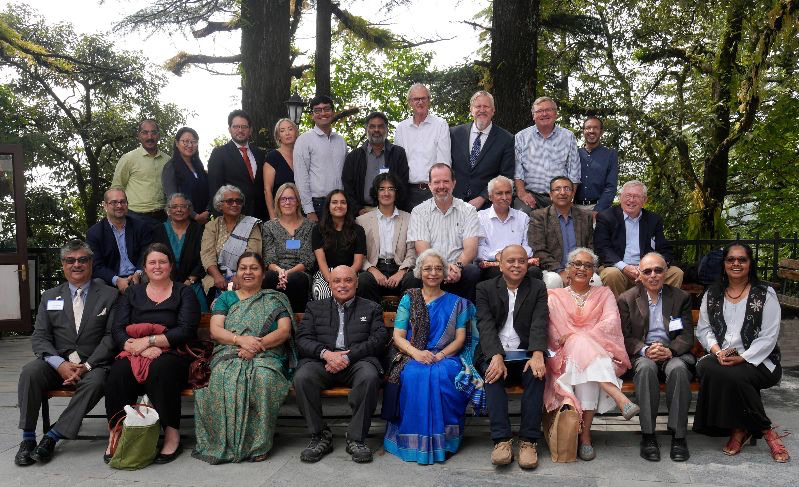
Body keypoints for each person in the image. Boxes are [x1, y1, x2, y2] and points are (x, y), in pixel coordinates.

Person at [15, 240, 119, 466]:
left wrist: (88, 365)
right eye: (70, 260)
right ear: (62, 264)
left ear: (91, 263)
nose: (76, 265)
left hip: (94, 363)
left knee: (96, 382)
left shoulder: (110, 295)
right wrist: (59, 364)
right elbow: (40, 336)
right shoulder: (50, 296)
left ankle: (52, 437)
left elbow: (111, 336)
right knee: (29, 372)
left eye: (82, 259)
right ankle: (28, 438)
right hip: (57, 362)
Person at [192, 252, 295, 464]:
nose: (248, 272)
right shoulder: (226, 299)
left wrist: (256, 346)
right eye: (243, 268)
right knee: (222, 376)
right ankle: (227, 442)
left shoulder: (275, 298)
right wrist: (240, 340)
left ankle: (259, 444)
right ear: (237, 272)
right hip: (230, 351)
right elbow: (216, 331)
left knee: (263, 378)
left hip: (268, 354)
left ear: (263, 272)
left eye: (254, 268)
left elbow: (284, 331)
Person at [383, 249, 482, 464]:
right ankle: (413, 443)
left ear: (445, 273)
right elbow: (398, 337)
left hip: (447, 357)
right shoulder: (409, 298)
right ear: (419, 272)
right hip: (414, 354)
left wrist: (440, 356)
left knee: (442, 375)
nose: (433, 273)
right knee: (413, 375)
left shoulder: (458, 303)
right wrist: (417, 354)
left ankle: (444, 442)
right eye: (428, 268)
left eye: (438, 268)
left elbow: (459, 339)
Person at [693, 243, 789, 463]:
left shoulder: (765, 293)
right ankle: (747, 428)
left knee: (735, 375)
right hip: (722, 357)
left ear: (750, 263)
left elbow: (769, 335)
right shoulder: (713, 293)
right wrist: (717, 352)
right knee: (707, 367)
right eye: (730, 260)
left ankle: (760, 431)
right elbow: (705, 329)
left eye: (742, 260)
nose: (736, 264)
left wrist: (743, 358)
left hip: (760, 360)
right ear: (724, 264)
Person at [104, 243, 199, 464]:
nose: (157, 266)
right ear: (144, 268)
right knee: (118, 371)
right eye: (152, 262)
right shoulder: (132, 292)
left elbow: (186, 329)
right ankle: (117, 431)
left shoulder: (184, 292)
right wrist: (134, 346)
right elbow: (117, 328)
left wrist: (150, 340)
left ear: (171, 266)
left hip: (174, 352)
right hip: (134, 351)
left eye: (162, 262)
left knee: (162, 369)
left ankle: (172, 433)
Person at [544, 247, 639, 461]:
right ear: (568, 269)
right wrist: (577, 338)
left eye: (588, 265)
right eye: (577, 264)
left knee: (585, 362)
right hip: (563, 357)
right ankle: (615, 400)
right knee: (581, 353)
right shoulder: (554, 296)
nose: (582, 269)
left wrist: (578, 336)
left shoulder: (604, 294)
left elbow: (611, 323)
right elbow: (556, 333)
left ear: (593, 272)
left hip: (599, 353)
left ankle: (584, 436)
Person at [293, 265, 389, 464]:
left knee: (369, 376)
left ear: (357, 283)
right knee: (302, 378)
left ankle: (356, 438)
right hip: (322, 362)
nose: (342, 285)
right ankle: (320, 436)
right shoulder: (315, 307)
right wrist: (326, 354)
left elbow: (379, 339)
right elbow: (302, 339)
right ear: (329, 284)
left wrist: (348, 357)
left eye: (348, 280)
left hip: (357, 362)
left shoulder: (371, 307)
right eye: (337, 281)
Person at [475, 244, 548, 469]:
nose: (516, 265)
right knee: (493, 374)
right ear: (500, 264)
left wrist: (537, 354)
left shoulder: (537, 287)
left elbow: (539, 322)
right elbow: (485, 325)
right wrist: (496, 355)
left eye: (521, 261)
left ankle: (528, 441)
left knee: (537, 375)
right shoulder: (484, 288)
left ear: (528, 264)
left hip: (525, 351)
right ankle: (501, 440)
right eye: (511, 261)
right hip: (495, 350)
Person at [618, 252, 695, 462]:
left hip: (672, 352)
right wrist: (644, 350)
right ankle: (648, 435)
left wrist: (670, 350)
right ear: (640, 275)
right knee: (645, 369)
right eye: (647, 271)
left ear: (666, 272)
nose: (653, 275)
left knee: (679, 369)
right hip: (643, 354)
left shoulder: (681, 298)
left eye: (658, 270)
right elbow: (625, 337)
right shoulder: (626, 299)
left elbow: (687, 335)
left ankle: (679, 436)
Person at [407, 163, 484, 301]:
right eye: (436, 182)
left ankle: (464, 318)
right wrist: (441, 270)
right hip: (430, 268)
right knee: (411, 278)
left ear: (453, 183)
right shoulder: (419, 212)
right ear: (429, 185)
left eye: (446, 181)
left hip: (459, 269)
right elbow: (423, 251)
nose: (441, 186)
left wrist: (456, 268)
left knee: (473, 272)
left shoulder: (468, 210)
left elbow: (470, 250)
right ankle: (420, 319)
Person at [594, 180, 683, 298]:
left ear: (644, 200)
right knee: (611, 274)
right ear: (620, 198)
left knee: (676, 273)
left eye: (636, 196)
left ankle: (661, 311)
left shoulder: (653, 220)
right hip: (618, 268)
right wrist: (625, 267)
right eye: (628, 196)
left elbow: (664, 248)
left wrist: (652, 268)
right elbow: (603, 248)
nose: (631, 200)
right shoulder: (606, 217)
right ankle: (618, 314)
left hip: (647, 269)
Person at [355, 173, 417, 304]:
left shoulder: (409, 218)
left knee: (414, 279)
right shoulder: (362, 221)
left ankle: (406, 321)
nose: (386, 193)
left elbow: (412, 251)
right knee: (364, 280)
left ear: (396, 192)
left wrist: (402, 271)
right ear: (376, 193)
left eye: (391, 189)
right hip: (374, 267)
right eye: (382, 189)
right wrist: (372, 270)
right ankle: (372, 320)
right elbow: (359, 253)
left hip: (400, 266)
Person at [514, 96, 580, 216]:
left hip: (560, 194)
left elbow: (574, 173)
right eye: (539, 111)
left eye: (548, 110)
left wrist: (569, 198)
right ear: (533, 116)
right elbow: (518, 171)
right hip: (531, 194)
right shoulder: (521, 137)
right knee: (521, 216)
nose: (544, 114)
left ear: (556, 114)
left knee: (561, 226)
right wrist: (522, 194)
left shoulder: (568, 137)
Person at [450, 91, 514, 211]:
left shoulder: (506, 139)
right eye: (478, 106)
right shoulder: (454, 134)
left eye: (486, 106)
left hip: (487, 205)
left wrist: (483, 197)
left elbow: (506, 175)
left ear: (493, 110)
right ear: (471, 110)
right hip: (454, 202)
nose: (482, 110)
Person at [529, 176, 597, 288]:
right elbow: (538, 249)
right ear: (550, 195)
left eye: (567, 189)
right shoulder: (539, 216)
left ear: (572, 194)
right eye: (557, 189)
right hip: (552, 269)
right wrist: (560, 271)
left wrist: (581, 269)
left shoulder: (585, 217)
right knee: (553, 281)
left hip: (582, 268)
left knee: (596, 280)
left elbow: (590, 247)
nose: (562, 192)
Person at [200, 185, 262, 302]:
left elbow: (253, 253)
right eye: (229, 201)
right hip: (217, 277)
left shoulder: (251, 225)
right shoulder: (211, 226)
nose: (234, 204)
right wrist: (217, 276)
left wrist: (239, 275)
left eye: (238, 201)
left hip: (246, 274)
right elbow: (207, 254)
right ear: (219, 205)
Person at [394, 83, 452, 209]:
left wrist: (441, 189)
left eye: (423, 98)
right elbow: (397, 162)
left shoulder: (440, 125)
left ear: (428, 101)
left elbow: (444, 161)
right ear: (410, 102)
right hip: (407, 192)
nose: (420, 102)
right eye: (416, 99)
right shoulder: (401, 128)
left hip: (433, 191)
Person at [476, 175, 542, 282]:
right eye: (499, 193)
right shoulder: (480, 217)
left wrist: (514, 257)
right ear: (490, 196)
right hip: (494, 264)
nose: (504, 197)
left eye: (508, 193)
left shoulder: (522, 217)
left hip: (519, 262)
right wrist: (497, 256)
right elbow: (478, 248)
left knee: (534, 272)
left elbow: (528, 245)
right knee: (498, 273)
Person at [342, 111, 410, 214]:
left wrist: (393, 208)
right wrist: (358, 210)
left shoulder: (398, 154)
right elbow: (348, 188)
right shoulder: (354, 157)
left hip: (392, 211)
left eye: (381, 126)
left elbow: (403, 184)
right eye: (372, 126)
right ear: (366, 130)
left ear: (386, 129)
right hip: (363, 212)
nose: (376, 130)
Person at [262, 183, 315, 312]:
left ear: (297, 202)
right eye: (283, 199)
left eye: (291, 198)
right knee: (268, 277)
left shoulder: (310, 226)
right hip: (276, 271)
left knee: (296, 279)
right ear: (278, 202)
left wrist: (287, 274)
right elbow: (269, 258)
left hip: (300, 273)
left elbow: (307, 259)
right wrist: (280, 272)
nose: (287, 202)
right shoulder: (269, 227)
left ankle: (297, 323)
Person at [86, 188, 152, 292]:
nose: (119, 206)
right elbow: (96, 265)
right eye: (114, 202)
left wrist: (138, 273)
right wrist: (117, 280)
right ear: (105, 205)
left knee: (150, 276)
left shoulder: (140, 227)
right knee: (97, 283)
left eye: (123, 202)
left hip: (138, 276)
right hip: (111, 279)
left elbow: (147, 254)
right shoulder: (95, 233)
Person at [293, 95, 348, 220]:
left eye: (326, 109)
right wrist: (309, 209)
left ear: (332, 112)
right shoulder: (304, 140)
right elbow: (301, 177)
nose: (322, 113)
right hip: (317, 204)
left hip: (340, 202)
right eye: (317, 110)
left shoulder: (341, 141)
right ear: (312, 115)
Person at [151, 193, 207, 312]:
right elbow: (153, 258)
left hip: (193, 283)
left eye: (183, 206)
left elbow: (204, 257)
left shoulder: (200, 230)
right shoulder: (158, 230)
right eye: (175, 206)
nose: (179, 210)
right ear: (168, 211)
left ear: (189, 210)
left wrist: (191, 279)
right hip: (164, 282)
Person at [207, 109, 267, 219]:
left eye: (244, 127)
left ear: (250, 130)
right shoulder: (219, 154)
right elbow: (214, 189)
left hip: (260, 217)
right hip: (232, 217)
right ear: (229, 129)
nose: (240, 130)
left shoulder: (259, 154)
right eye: (236, 127)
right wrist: (221, 219)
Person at [310, 190, 366, 300]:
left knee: (355, 292)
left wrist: (344, 278)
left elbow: (358, 262)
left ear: (348, 206)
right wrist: (332, 279)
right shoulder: (318, 230)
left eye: (343, 202)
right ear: (328, 206)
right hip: (326, 273)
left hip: (350, 271)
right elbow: (321, 261)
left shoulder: (358, 230)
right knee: (324, 294)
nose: (339, 205)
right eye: (334, 202)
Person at [112, 119, 168, 228]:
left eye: (153, 132)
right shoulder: (128, 158)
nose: (150, 137)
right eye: (145, 132)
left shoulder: (167, 160)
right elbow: (116, 189)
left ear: (159, 135)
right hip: (135, 217)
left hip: (162, 218)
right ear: (139, 136)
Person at [161, 126, 210, 226]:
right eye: (185, 141)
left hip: (203, 221)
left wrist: (208, 211)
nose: (190, 145)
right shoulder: (170, 167)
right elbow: (172, 198)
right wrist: (195, 216)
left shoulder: (198, 166)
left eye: (193, 141)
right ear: (177, 143)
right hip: (182, 223)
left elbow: (209, 190)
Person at [573, 116, 618, 216]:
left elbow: (611, 186)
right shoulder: (574, 154)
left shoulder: (610, 155)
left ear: (601, 132)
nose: (591, 131)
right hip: (574, 209)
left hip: (600, 209)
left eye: (595, 128)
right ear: (583, 131)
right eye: (588, 128)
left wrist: (598, 209)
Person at [260, 118, 298, 220]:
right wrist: (273, 216)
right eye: (282, 130)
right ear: (278, 136)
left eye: (290, 129)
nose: (287, 133)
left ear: (296, 132)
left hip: (299, 212)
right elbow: (267, 190)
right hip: (280, 213)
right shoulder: (273, 157)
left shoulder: (301, 155)